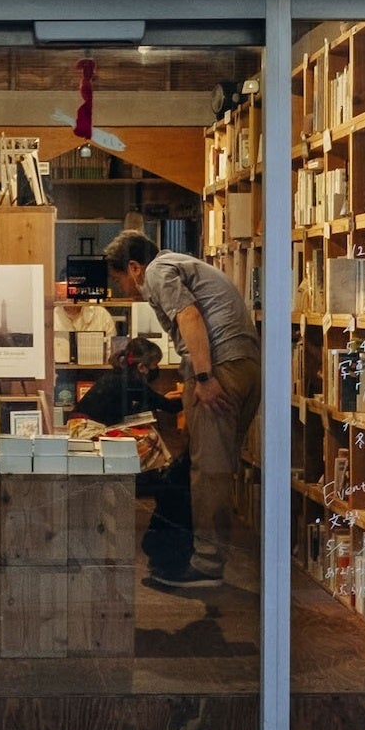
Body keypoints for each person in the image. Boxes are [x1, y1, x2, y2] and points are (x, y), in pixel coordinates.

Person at [104, 229, 260, 577]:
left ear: (134, 267)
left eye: (119, 279)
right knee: (218, 467)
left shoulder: (158, 271)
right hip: (243, 365)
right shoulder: (181, 263)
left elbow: (189, 316)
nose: (121, 289)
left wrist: (203, 378)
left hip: (219, 368)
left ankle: (206, 564)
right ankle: (203, 555)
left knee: (209, 472)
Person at [75, 335, 205, 588]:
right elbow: (167, 407)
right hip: (89, 432)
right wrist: (188, 395)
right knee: (151, 439)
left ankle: (158, 475)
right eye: (154, 365)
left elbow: (145, 404)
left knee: (147, 435)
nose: (156, 369)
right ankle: (160, 476)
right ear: (144, 367)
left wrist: (164, 398)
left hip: (83, 427)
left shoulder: (120, 378)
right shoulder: (132, 383)